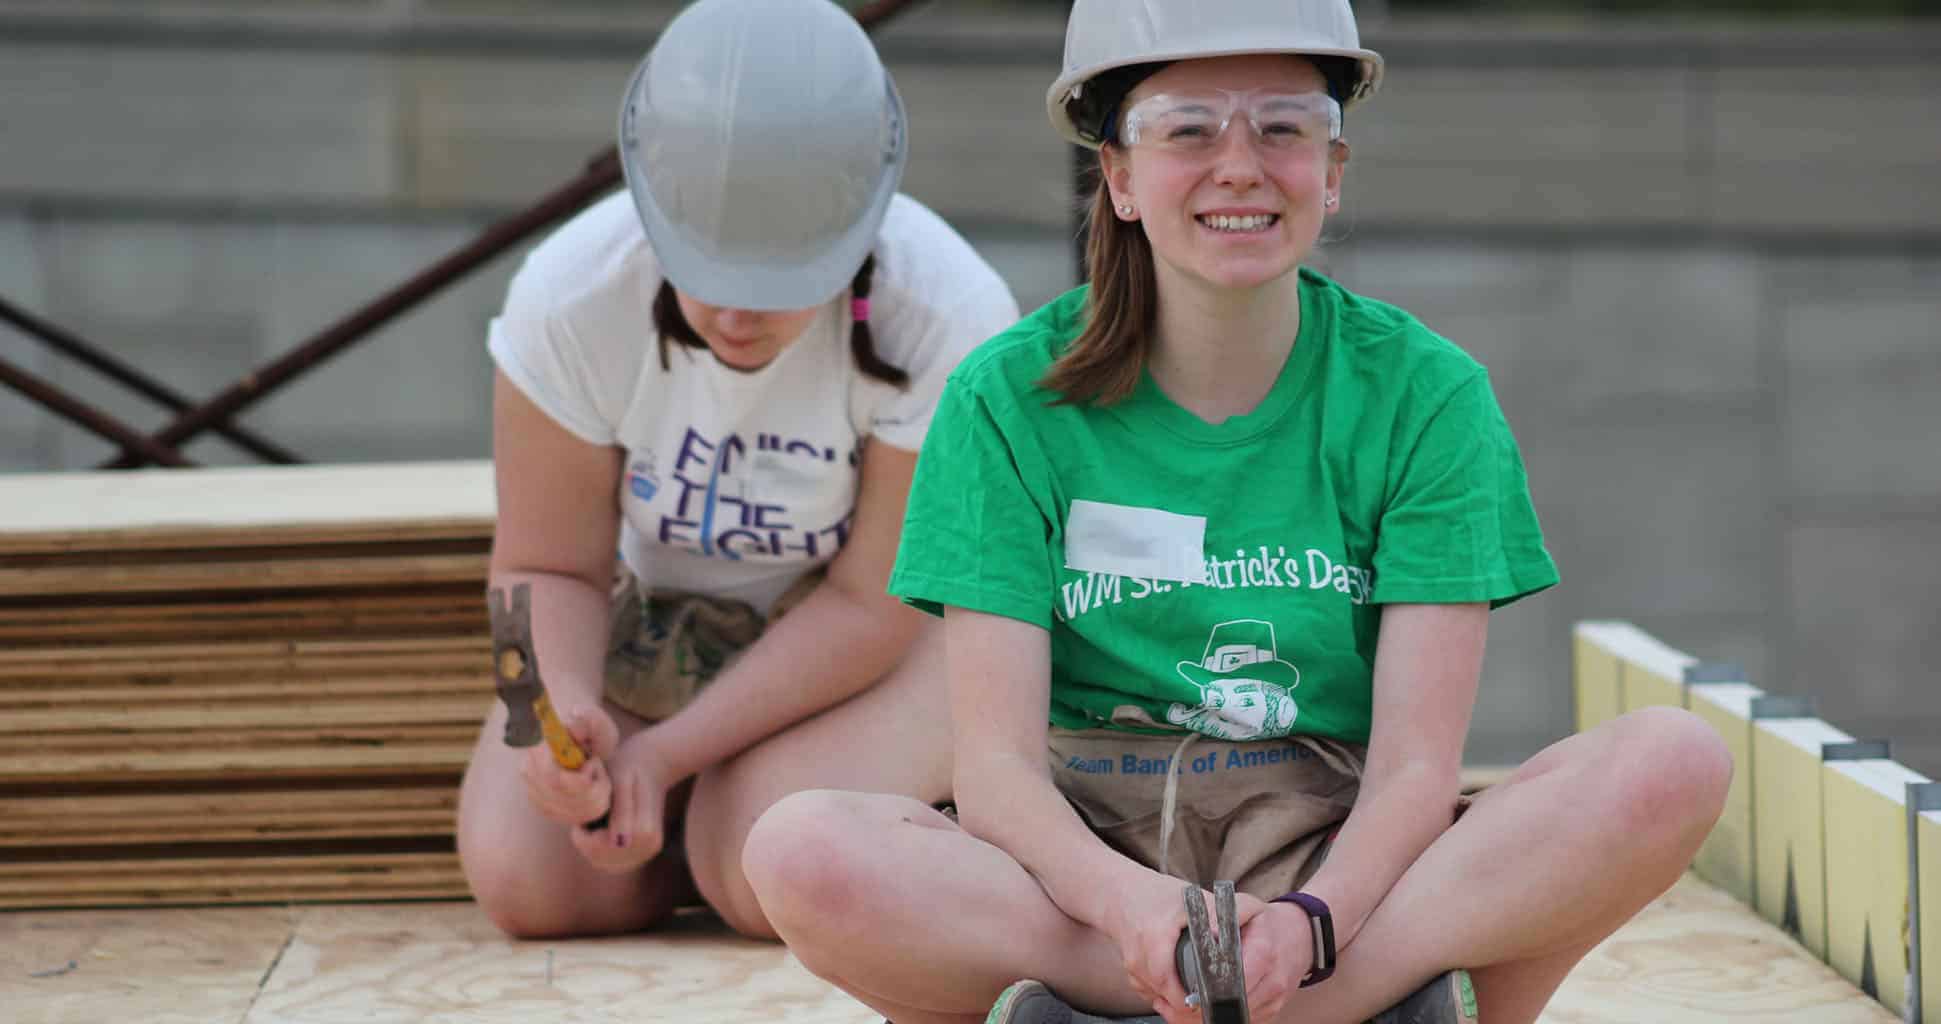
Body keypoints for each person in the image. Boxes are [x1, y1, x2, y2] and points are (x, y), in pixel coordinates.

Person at [740, 0, 1731, 1021]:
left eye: (1284, 125)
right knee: (801, 848)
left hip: (1336, 857)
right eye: (1188, 127)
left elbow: (1414, 769)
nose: (1241, 165)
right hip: (1091, 878)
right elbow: (995, 775)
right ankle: (1340, 1004)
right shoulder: (1006, 397)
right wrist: (1138, 917)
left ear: (1333, 171)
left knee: (1672, 761)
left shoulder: (1427, 395)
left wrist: (1311, 921)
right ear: (1119, 177)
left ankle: (1222, 1002)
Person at [456, 0, 1020, 940]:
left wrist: (667, 757)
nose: (736, 317)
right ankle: (721, 809)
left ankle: (784, 809)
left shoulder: (948, 312)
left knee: (758, 868)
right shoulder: (569, 296)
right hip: (668, 623)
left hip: (894, 639)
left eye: (787, 277)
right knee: (533, 883)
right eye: (705, 268)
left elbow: (870, 605)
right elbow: (539, 569)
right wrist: (563, 718)